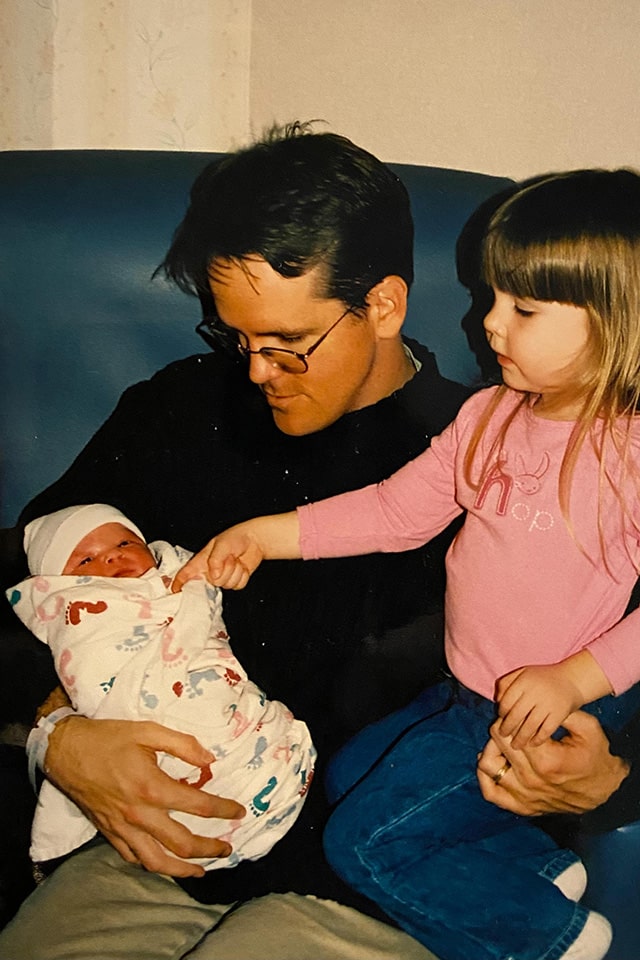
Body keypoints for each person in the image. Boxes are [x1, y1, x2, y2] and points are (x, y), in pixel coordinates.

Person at [0, 128, 635, 960]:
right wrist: (59, 735)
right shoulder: (181, 407)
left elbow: (608, 654)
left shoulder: (494, 449)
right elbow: (25, 575)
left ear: (382, 306)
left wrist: (612, 787)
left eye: (288, 344)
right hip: (151, 847)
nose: (258, 372)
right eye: (237, 338)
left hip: (384, 881)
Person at [180, 168, 640, 960]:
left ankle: (553, 940)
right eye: (493, 297)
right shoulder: (490, 417)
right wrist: (266, 532)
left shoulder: (628, 454)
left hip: (557, 708)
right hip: (470, 690)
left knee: (360, 843)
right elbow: (394, 512)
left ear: (618, 319)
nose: (489, 323)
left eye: (524, 309)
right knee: (350, 773)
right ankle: (537, 871)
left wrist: (576, 679)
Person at [8, 502, 314, 870]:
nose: (109, 560)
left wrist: (195, 592)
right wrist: (56, 733)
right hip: (135, 758)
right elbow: (83, 658)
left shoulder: (174, 576)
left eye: (124, 545)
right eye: (84, 562)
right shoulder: (77, 607)